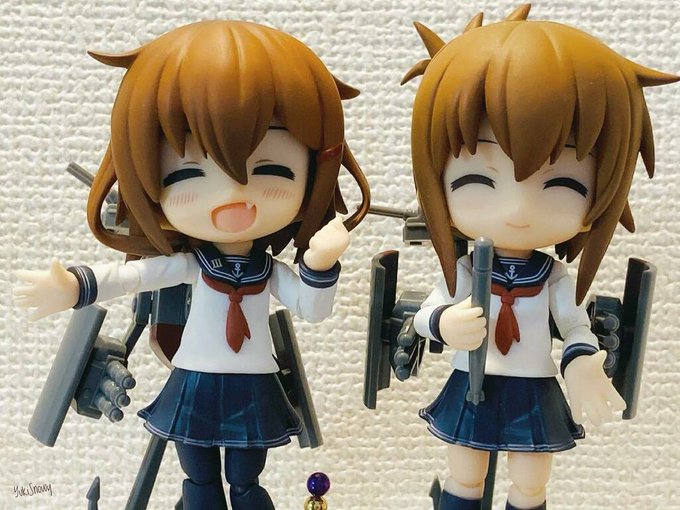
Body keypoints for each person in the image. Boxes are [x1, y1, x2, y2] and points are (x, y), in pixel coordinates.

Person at [13, 20, 369, 510]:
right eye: (187, 174)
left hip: (254, 383)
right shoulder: (192, 265)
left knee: (246, 480)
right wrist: (76, 287)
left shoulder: (268, 272)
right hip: (195, 380)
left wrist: (321, 264)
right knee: (198, 478)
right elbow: (135, 276)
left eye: (271, 169)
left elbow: (312, 309)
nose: (234, 198)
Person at [403, 5, 677, 510]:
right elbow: (425, 314)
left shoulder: (552, 277)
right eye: (478, 179)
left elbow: (574, 326)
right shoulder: (465, 271)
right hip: (470, 382)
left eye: (562, 184)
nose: (518, 209)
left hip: (533, 387)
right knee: (464, 473)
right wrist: (444, 324)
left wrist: (581, 363)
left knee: (530, 481)